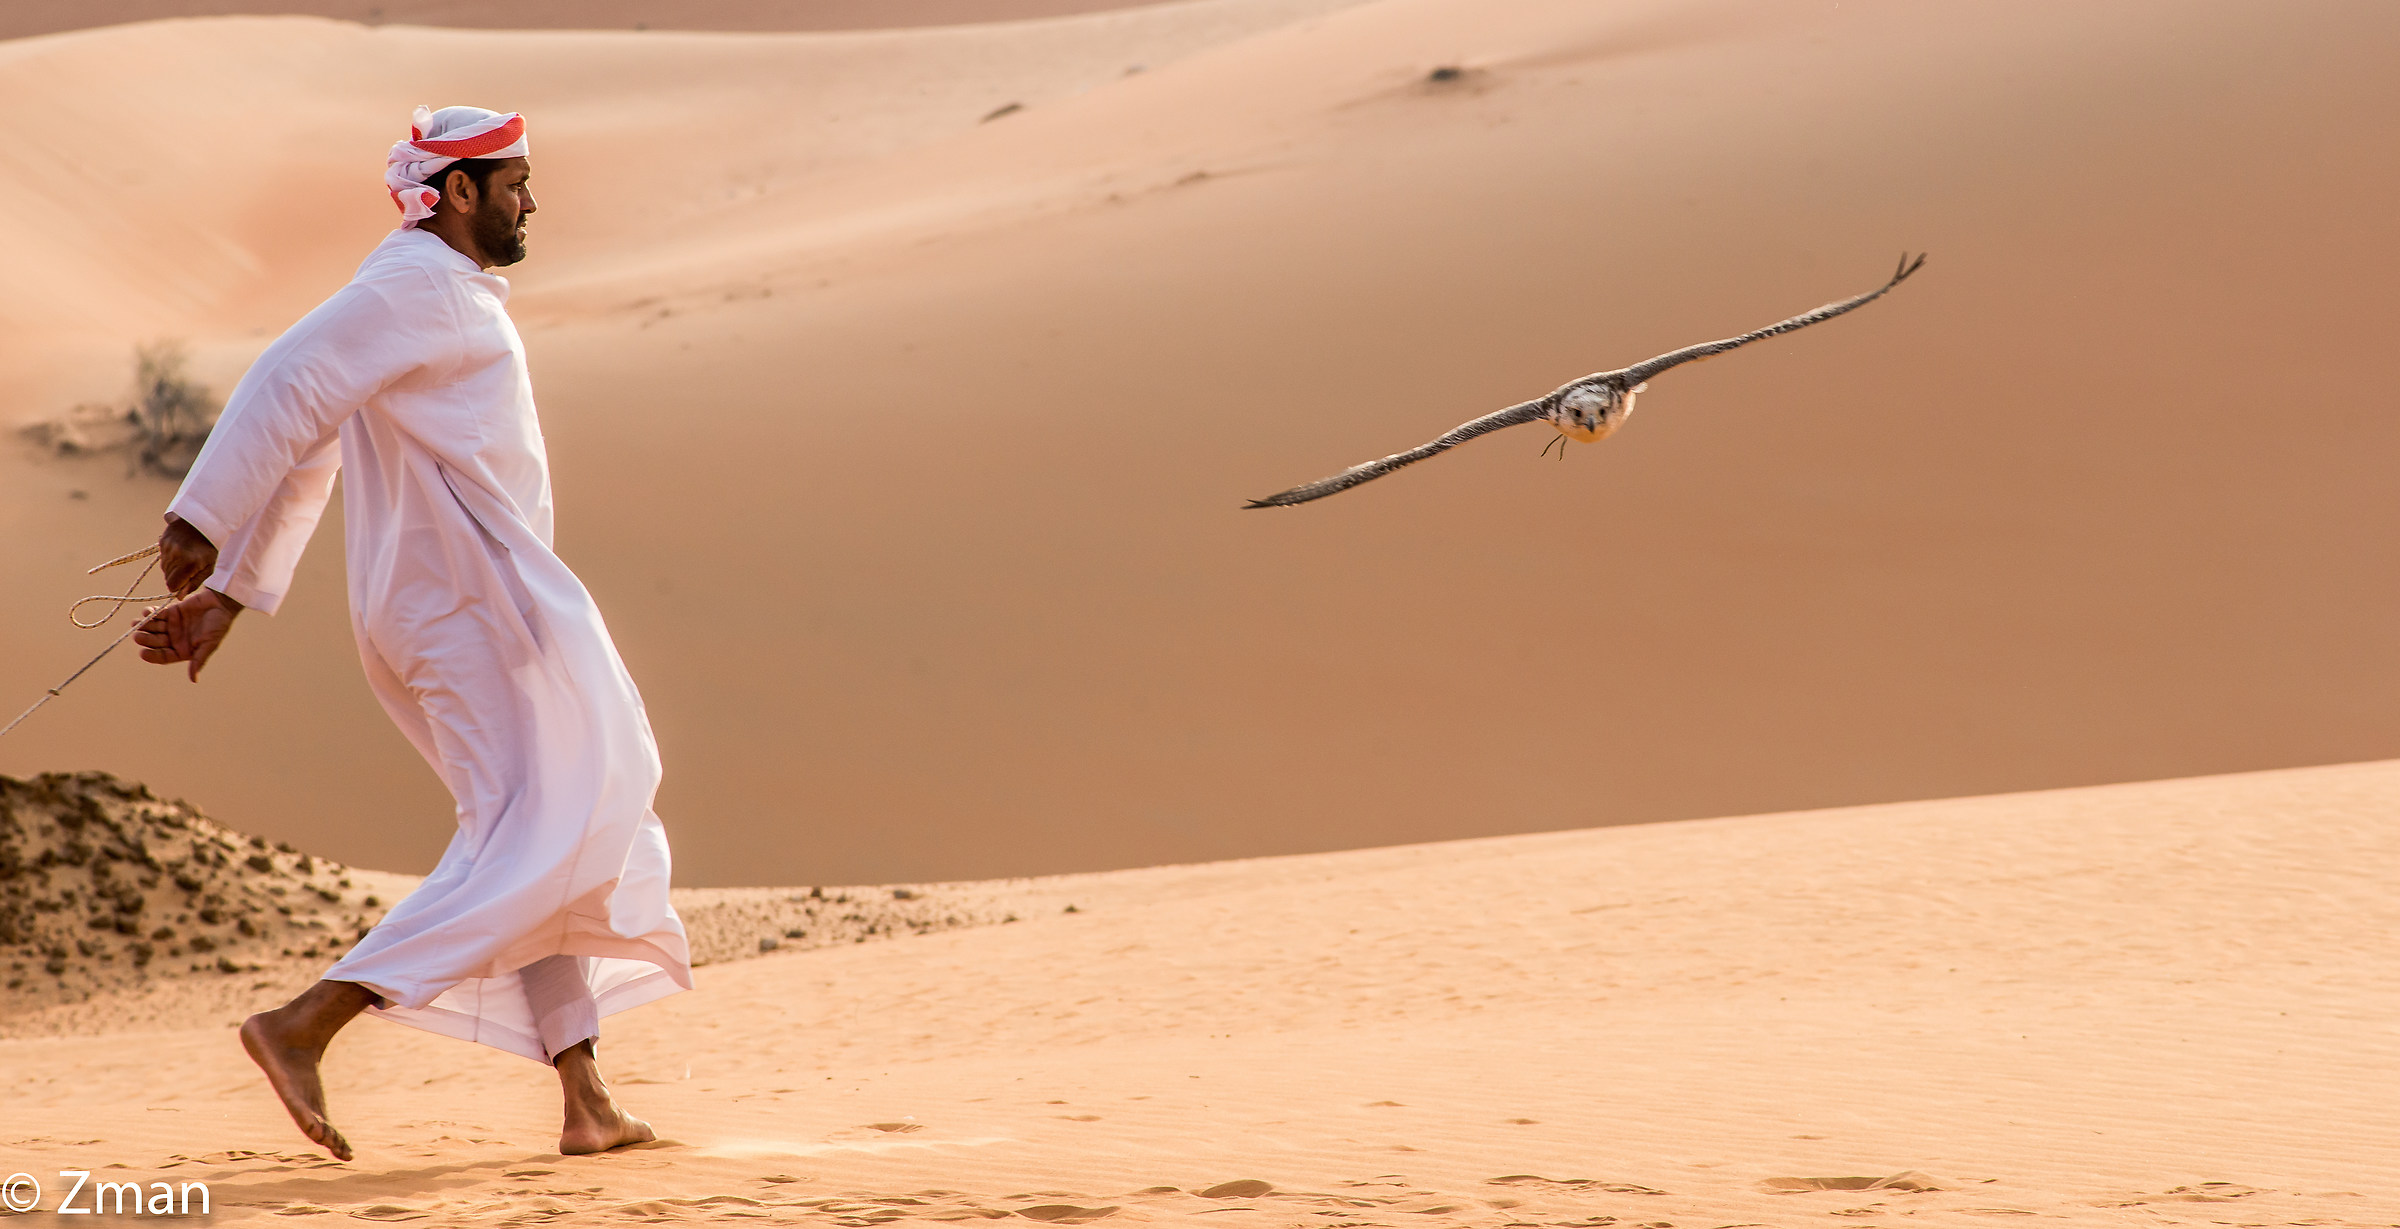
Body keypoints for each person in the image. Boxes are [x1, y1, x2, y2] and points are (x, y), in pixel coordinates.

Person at [133, 105, 691, 1161]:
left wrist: (236, 591)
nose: (532, 198)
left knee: (532, 820)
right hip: (465, 603)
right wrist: (200, 519)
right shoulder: (415, 285)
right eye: (514, 180)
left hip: (467, 600)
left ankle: (586, 1096)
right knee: (576, 803)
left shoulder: (427, 289)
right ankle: (307, 1022)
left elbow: (317, 442)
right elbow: (287, 380)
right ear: (460, 193)